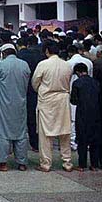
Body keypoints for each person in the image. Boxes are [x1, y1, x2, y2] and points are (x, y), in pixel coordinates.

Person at [32, 41, 73, 172]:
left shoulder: (43, 64)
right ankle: (67, 162)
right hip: (63, 99)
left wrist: (43, 90)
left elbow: (35, 82)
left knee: (45, 134)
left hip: (47, 100)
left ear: (47, 51)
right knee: (64, 132)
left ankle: (46, 163)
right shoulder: (67, 65)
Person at [0, 43, 31, 171]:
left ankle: (2, 163)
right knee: (20, 133)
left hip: (4, 104)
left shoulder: (1, 65)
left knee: (3, 133)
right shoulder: (24, 64)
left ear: (3, 54)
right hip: (20, 103)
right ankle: (22, 163)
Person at [70, 62, 100, 171]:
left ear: (77, 72)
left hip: (82, 114)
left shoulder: (77, 83)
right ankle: (94, 164)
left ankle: (82, 165)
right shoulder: (96, 82)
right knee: (94, 141)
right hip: (96, 114)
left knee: (82, 140)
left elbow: (73, 101)